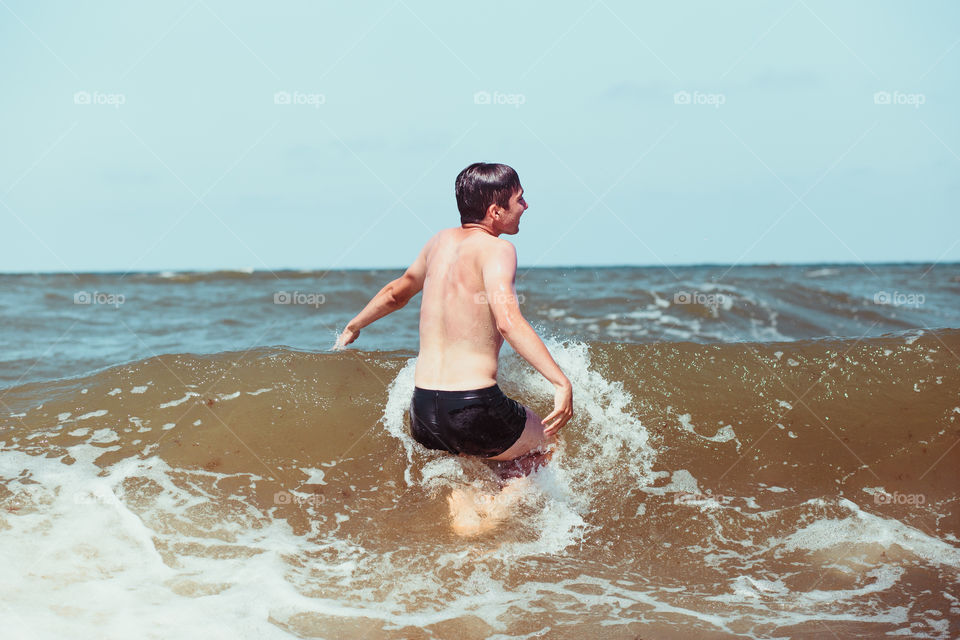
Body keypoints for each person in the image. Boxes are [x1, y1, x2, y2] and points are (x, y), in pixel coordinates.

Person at [335, 162, 573, 474]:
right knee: (549, 446)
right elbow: (508, 321)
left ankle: (468, 513)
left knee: (480, 463)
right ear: (495, 211)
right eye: (519, 199)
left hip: (423, 413)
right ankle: (493, 516)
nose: (526, 206)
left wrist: (354, 326)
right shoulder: (498, 249)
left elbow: (397, 293)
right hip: (473, 407)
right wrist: (560, 382)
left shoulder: (438, 242)